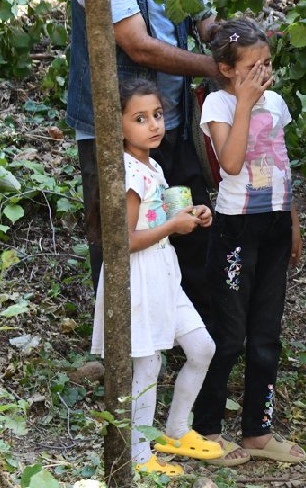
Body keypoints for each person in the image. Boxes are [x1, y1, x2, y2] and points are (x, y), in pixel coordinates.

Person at [66, 0, 219, 317]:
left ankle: (186, 325)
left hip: (171, 122)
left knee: (186, 218)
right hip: (116, 129)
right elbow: (139, 47)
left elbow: (204, 20)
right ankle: (120, 335)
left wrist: (236, 42)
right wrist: (216, 67)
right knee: (119, 231)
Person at [90, 78, 221, 476]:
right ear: (118, 125)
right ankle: (139, 456)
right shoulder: (127, 173)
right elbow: (122, 242)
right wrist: (171, 228)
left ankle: (176, 429)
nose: (154, 125)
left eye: (158, 115)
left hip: (166, 276)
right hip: (138, 279)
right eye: (140, 118)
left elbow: (160, 217)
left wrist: (193, 214)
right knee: (147, 368)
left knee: (202, 348)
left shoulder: (153, 164)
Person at [191, 18, 305, 466]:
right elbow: (232, 164)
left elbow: (281, 163)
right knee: (230, 335)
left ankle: (258, 431)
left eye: (267, 64)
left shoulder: (276, 103)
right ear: (225, 69)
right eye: (251, 67)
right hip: (235, 230)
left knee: (265, 336)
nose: (263, 75)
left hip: (273, 225)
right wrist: (244, 105)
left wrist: (293, 221)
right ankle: (207, 429)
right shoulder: (219, 106)